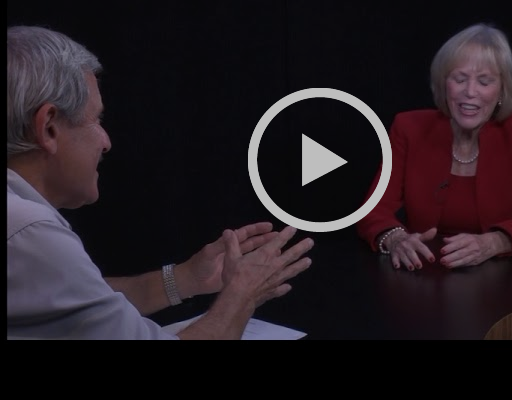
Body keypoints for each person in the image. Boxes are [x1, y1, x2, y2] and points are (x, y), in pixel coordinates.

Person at [7, 25, 314, 340]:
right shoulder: (30, 232)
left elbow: (82, 303)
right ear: (49, 128)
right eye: (96, 120)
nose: (106, 141)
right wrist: (243, 294)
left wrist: (184, 279)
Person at [357, 23, 512, 271]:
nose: (470, 91)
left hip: (496, 278)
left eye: (484, 81)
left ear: (502, 91)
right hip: (420, 272)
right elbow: (372, 211)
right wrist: (395, 238)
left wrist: (496, 242)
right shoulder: (409, 127)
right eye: (460, 79)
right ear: (444, 84)